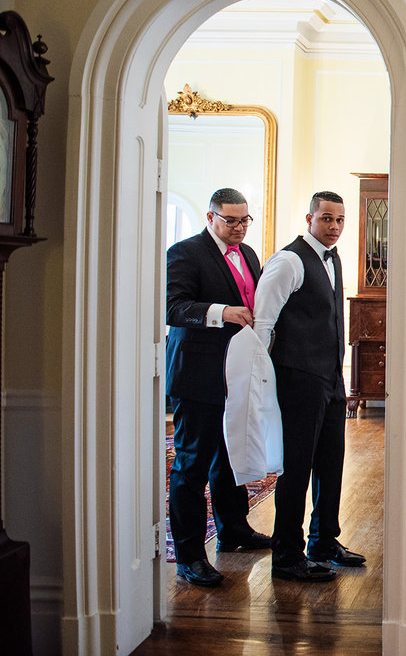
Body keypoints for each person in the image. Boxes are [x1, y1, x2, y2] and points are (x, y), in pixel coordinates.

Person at [254, 191, 365, 582]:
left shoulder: (332, 260)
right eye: (327, 218)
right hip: (297, 379)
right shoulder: (288, 261)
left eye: (340, 220)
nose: (334, 226)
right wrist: (263, 381)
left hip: (331, 379)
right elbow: (263, 324)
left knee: (331, 464)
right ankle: (286, 557)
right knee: (296, 469)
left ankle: (323, 541)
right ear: (309, 218)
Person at [165, 188, 272, 588]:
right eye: (231, 221)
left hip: (238, 371)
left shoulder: (248, 255)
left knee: (231, 453)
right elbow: (172, 306)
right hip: (197, 374)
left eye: (245, 220)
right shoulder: (185, 252)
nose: (240, 228)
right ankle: (190, 556)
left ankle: (234, 531)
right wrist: (221, 312)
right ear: (211, 218)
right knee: (192, 464)